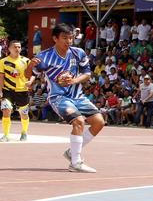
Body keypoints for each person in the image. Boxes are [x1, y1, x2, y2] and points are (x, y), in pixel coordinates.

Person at [29, 23, 105, 173]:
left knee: (99, 122)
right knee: (79, 121)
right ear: (55, 38)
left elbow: (87, 73)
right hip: (58, 97)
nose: (69, 41)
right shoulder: (44, 56)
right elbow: (30, 75)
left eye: (71, 38)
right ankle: (76, 162)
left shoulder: (78, 52)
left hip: (78, 95)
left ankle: (72, 152)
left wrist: (74, 81)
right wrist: (29, 66)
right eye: (65, 38)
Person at [0, 41, 34, 142]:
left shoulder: (26, 60)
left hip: (22, 91)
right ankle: (6, 135)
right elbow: (1, 77)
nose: (17, 49)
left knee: (24, 114)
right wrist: (0, 91)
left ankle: (24, 133)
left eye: (19, 47)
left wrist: (30, 82)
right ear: (9, 48)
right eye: (15, 47)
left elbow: (33, 74)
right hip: (7, 91)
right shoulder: (3, 61)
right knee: (6, 111)